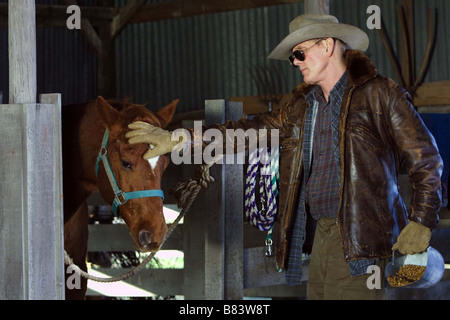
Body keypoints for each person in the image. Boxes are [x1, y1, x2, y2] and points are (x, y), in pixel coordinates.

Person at [126, 14, 443, 300]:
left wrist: (421, 222)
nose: (295, 61)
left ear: (327, 46)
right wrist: (180, 139)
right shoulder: (302, 107)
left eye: (300, 53)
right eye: (294, 56)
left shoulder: (379, 94)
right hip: (321, 236)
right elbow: (247, 131)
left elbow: (426, 159)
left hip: (361, 244)